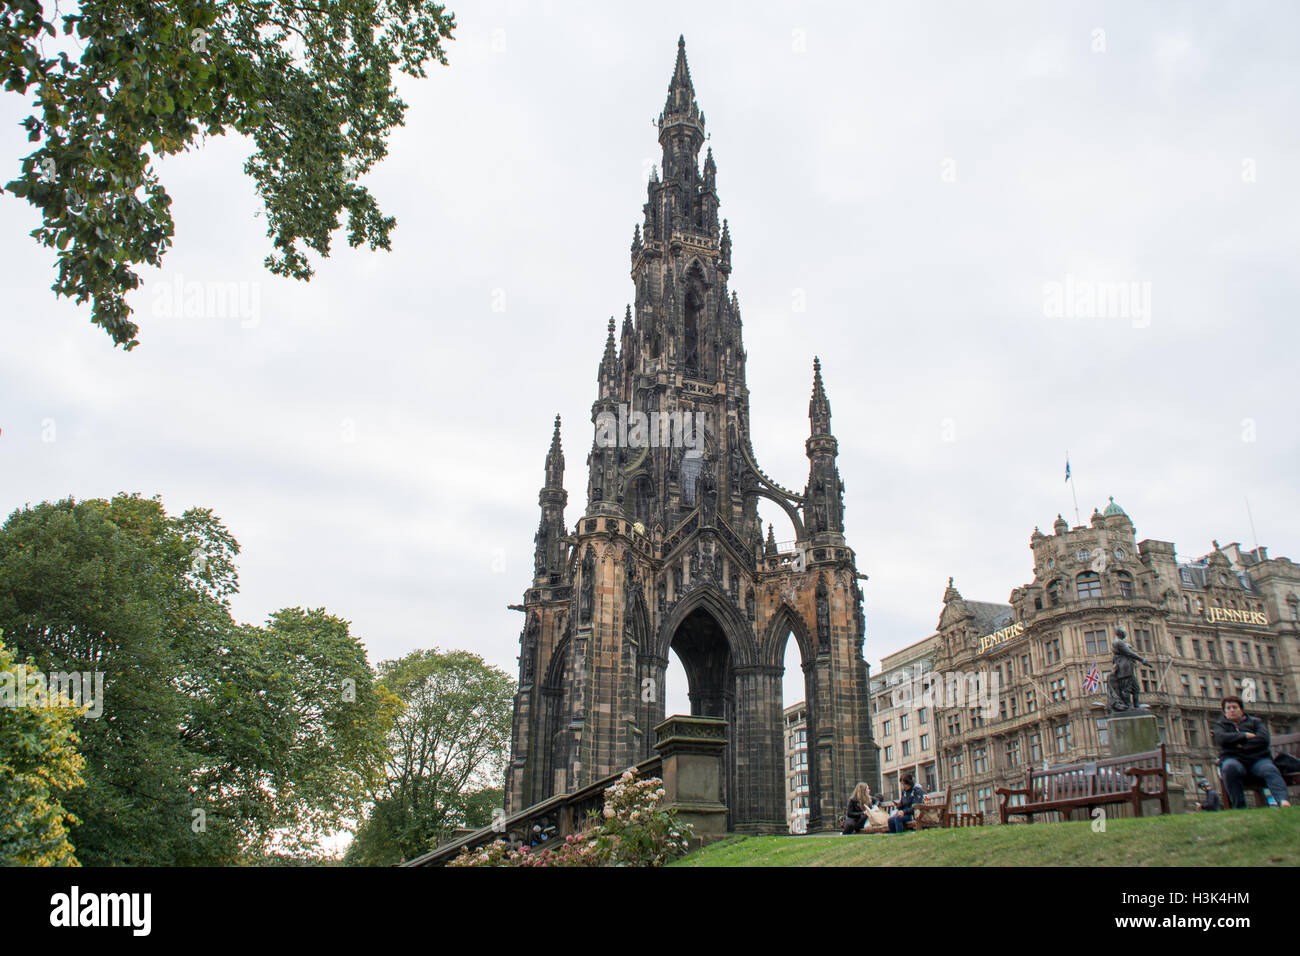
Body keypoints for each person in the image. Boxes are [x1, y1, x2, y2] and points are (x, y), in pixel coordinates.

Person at [1213, 696, 1292, 809]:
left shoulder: (1255, 722)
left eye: (1234, 707)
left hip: (1258, 760)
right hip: (1234, 760)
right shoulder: (1220, 725)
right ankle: (1239, 807)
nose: (1231, 710)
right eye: (1228, 708)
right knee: (1229, 768)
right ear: (1224, 711)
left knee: (1270, 769)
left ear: (1241, 709)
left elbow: (1263, 739)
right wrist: (1244, 736)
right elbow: (1221, 739)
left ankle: (1283, 800)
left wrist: (1237, 745)